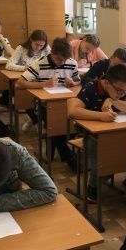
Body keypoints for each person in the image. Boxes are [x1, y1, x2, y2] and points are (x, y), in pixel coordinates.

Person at [67, 64, 126, 201]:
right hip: (90, 134)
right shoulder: (91, 87)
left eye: (124, 91)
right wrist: (100, 116)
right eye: (119, 91)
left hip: (114, 131)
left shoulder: (123, 87)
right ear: (107, 82)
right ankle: (93, 186)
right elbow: (72, 111)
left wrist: (114, 100)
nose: (122, 93)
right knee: (101, 155)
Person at [16, 37, 80, 171]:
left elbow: (78, 81)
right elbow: (20, 83)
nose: (62, 63)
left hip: (66, 102)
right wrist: (43, 84)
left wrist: (73, 83)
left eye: (65, 60)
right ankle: (68, 157)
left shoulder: (72, 63)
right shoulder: (40, 63)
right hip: (43, 104)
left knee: (60, 125)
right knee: (54, 124)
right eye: (59, 59)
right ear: (52, 53)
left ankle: (50, 154)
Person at [5, 30, 51, 132]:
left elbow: (52, 62)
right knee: (25, 98)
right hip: (26, 80)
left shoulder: (46, 48)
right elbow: (9, 65)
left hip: (41, 80)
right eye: (36, 44)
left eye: (41, 45)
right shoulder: (21, 48)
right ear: (31, 40)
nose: (39, 47)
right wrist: (26, 68)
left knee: (48, 102)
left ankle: (39, 120)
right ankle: (35, 119)